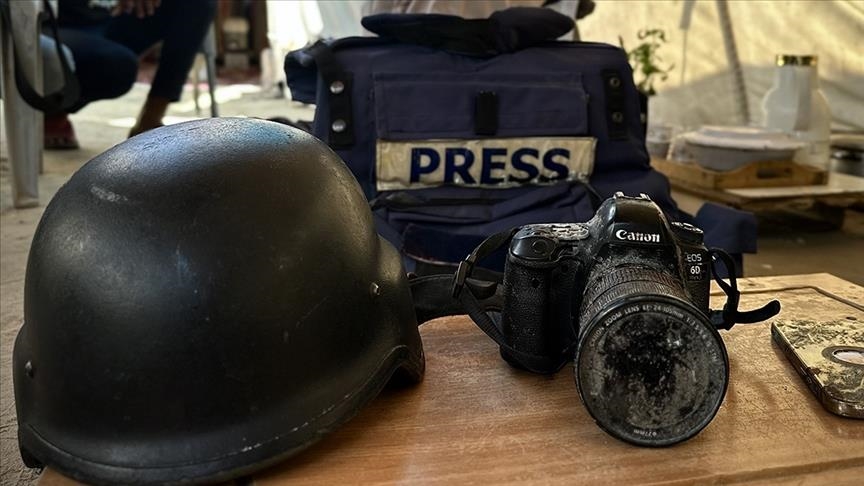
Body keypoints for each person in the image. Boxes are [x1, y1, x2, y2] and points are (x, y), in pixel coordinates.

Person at [45, 0, 216, 148]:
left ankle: (150, 121)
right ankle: (52, 106)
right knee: (115, 65)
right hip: (55, 23)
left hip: (112, 15)